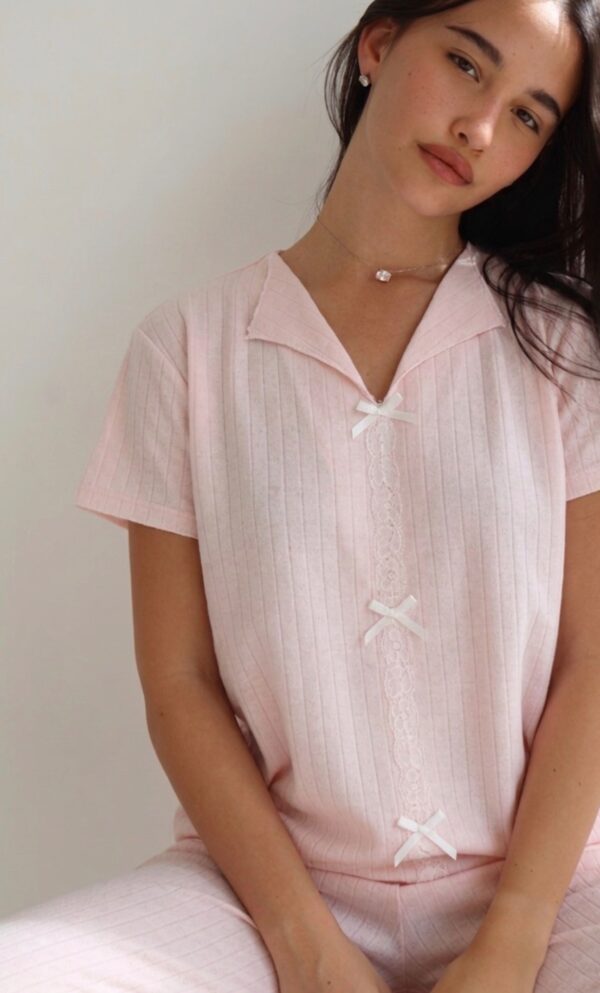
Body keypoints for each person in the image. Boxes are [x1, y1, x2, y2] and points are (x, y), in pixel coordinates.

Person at [2, 1, 600, 991]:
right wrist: (306, 947)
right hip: (259, 895)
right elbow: (180, 685)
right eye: (466, 64)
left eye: (529, 116)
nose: (479, 128)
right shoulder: (187, 350)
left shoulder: (563, 353)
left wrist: (515, 937)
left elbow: (593, 662)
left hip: (550, 888)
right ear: (379, 44)